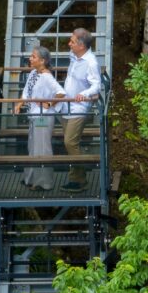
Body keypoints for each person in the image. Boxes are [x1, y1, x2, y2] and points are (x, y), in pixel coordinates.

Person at [14, 46, 65, 191]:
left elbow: (61, 92)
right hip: (34, 116)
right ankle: (30, 178)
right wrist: (19, 105)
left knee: (42, 148)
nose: (30, 58)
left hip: (43, 117)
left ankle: (44, 183)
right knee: (33, 147)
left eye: (33, 57)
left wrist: (49, 103)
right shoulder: (33, 73)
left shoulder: (47, 77)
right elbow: (26, 93)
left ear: (42, 61)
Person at [60, 28, 101, 192]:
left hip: (78, 107)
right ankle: (75, 177)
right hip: (66, 105)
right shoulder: (74, 56)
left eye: (72, 42)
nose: (69, 44)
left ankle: (80, 177)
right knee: (71, 144)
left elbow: (96, 85)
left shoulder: (91, 62)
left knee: (70, 142)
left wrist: (82, 94)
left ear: (81, 45)